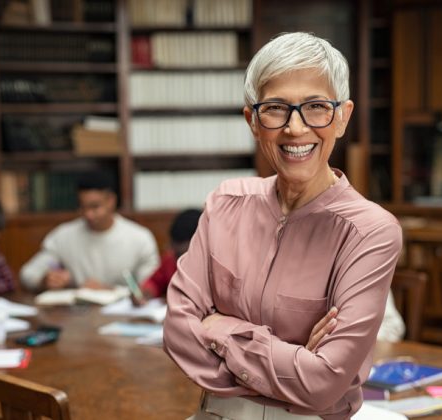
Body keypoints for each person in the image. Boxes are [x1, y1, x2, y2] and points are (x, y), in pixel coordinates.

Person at [163, 32, 402, 419]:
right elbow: (177, 333)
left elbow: (323, 384)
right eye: (275, 108)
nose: (295, 128)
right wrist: (294, 359)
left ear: (342, 117)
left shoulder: (370, 232)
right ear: (253, 121)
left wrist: (219, 328)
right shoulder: (225, 202)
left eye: (317, 107)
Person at [20, 174, 160, 291]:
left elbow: (151, 287)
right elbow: (27, 274)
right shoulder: (63, 236)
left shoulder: (140, 238)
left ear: (111, 201)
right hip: (75, 316)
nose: (88, 215)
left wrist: (110, 290)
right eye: (83, 207)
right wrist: (44, 281)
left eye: (95, 207)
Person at [133, 209, 202, 305]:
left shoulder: (214, 266)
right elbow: (155, 282)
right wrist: (145, 292)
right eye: (175, 250)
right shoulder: (170, 259)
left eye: (182, 253)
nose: (179, 260)